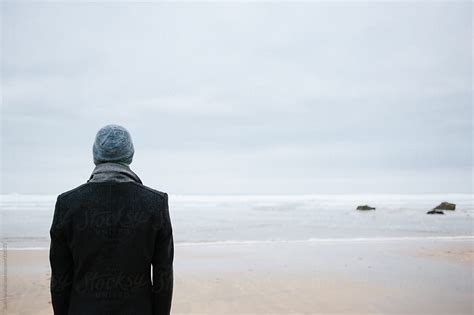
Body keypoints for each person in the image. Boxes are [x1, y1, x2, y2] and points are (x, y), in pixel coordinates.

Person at [49, 124, 173, 315]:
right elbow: (163, 277)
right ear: (130, 155)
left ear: (95, 155)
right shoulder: (155, 204)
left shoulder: (68, 204)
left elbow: (60, 278)